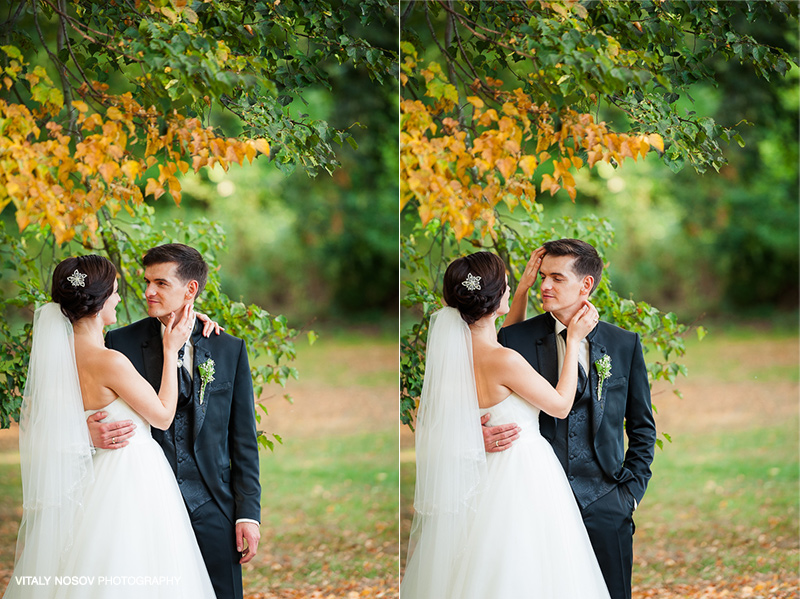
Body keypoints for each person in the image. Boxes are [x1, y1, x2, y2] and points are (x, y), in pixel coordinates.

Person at [401, 251, 611, 599]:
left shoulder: (455, 353)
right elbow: (559, 406)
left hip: (482, 475)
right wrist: (573, 341)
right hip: (523, 475)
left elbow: (499, 339)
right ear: (493, 299)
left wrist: (521, 294)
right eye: (507, 285)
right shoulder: (504, 360)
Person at [5, 255, 215, 599]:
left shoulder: (57, 357)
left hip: (90, 479)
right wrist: (171, 348)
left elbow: (39, 423)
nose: (119, 298)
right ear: (100, 300)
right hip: (130, 479)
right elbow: (162, 416)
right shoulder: (109, 361)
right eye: (116, 291)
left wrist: (81, 431)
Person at [87, 243, 262, 599]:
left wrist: (248, 514)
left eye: (161, 283)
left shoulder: (228, 348)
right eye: (147, 281)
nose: (149, 291)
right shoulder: (119, 343)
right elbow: (92, 402)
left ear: (190, 289)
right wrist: (88, 431)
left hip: (213, 503)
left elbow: (243, 439)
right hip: (145, 503)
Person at [486, 239, 657, 599]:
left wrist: (630, 495)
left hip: (607, 501)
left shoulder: (624, 343)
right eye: (543, 276)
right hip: (537, 500)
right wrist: (477, 433)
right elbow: (483, 398)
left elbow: (642, 428)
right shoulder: (515, 339)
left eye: (557, 278)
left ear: (586, 286)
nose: (544, 286)